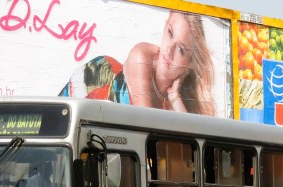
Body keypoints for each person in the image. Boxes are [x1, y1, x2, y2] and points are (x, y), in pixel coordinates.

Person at [59, 11, 216, 116]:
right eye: (170, 33)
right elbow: (146, 126)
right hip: (96, 80)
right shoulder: (141, 56)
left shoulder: (170, 99)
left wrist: (175, 98)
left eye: (181, 50)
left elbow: (191, 138)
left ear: (189, 66)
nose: (169, 50)